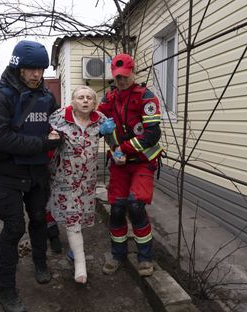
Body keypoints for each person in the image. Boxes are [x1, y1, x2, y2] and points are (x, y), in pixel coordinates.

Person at [0, 40, 63, 312]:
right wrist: (41, 144)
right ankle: (6, 291)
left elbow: (58, 126)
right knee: (14, 228)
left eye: (40, 69)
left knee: (39, 221)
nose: (36, 75)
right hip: (8, 175)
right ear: (17, 67)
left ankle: (40, 264)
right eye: (30, 69)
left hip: (38, 173)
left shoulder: (47, 97)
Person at [98, 53, 164, 277]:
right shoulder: (110, 98)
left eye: (125, 76)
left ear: (133, 73)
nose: (122, 81)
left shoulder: (146, 97)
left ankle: (145, 258)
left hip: (143, 162)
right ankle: (118, 255)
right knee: (116, 209)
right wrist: (100, 127)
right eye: (118, 77)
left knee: (135, 206)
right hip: (119, 164)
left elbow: (152, 134)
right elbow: (96, 118)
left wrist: (122, 149)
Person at [47, 86, 107, 284]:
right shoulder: (59, 118)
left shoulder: (101, 120)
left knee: (81, 217)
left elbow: (114, 140)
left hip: (88, 180)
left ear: (94, 103)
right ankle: (81, 265)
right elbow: (46, 135)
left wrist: (116, 148)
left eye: (89, 98)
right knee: (72, 219)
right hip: (66, 179)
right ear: (72, 101)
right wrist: (52, 138)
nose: (85, 101)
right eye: (80, 97)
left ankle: (74, 250)